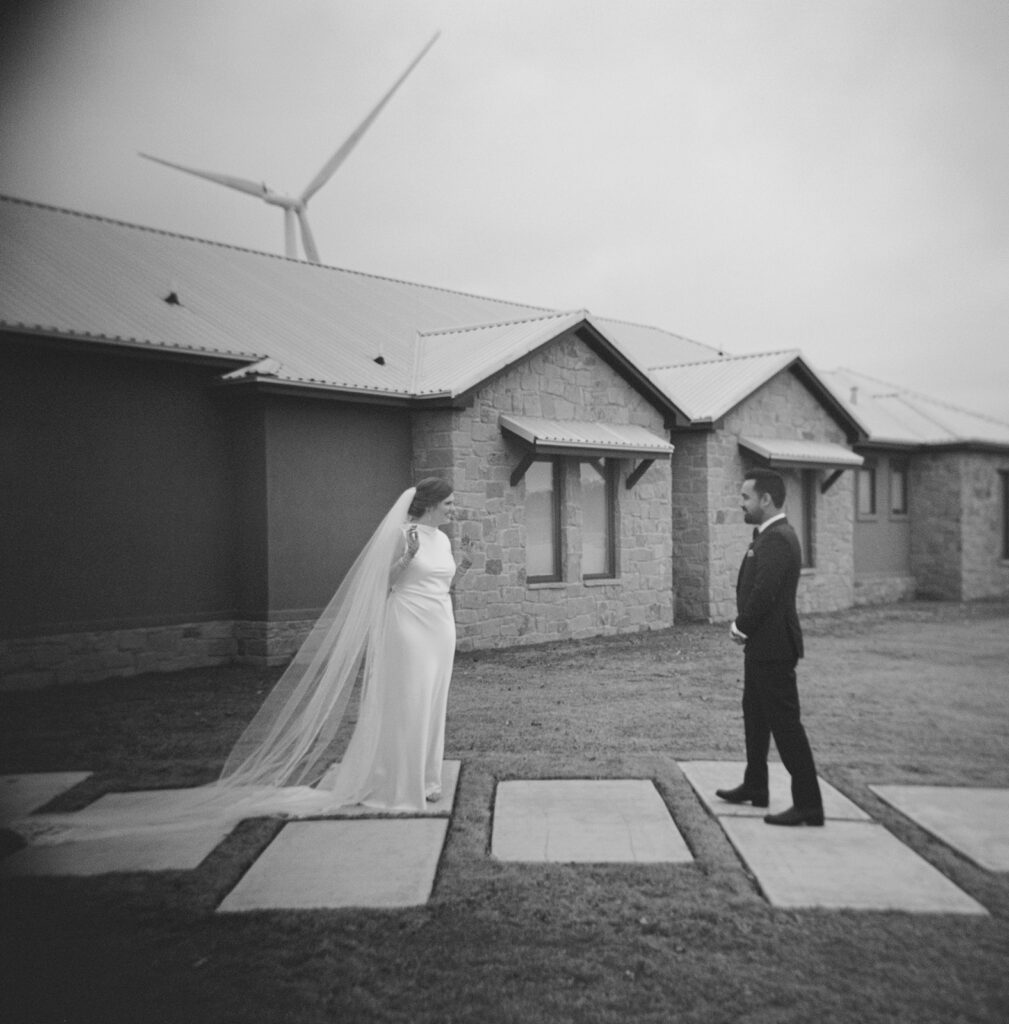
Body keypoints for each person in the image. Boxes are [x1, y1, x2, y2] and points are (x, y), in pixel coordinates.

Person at [12, 478, 470, 845]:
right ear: (429, 504)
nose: (453, 508)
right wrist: (404, 561)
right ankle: (397, 783)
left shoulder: (443, 540)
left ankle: (427, 778)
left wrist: (458, 569)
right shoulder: (402, 536)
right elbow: (380, 585)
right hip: (407, 624)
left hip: (439, 626)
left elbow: (442, 582)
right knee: (407, 700)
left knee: (433, 700)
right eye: (448, 503)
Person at [716, 468, 824, 826]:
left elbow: (765, 591)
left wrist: (741, 626)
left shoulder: (777, 538)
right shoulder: (767, 535)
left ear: (765, 499)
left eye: (746, 497)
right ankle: (755, 785)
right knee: (756, 718)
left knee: (786, 726)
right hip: (763, 647)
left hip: (774, 648)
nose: (741, 503)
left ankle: (809, 805)